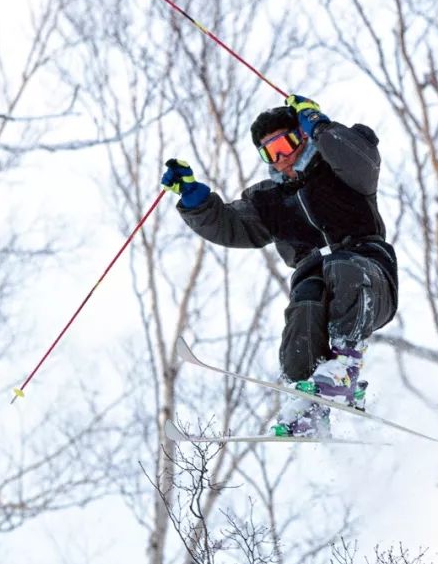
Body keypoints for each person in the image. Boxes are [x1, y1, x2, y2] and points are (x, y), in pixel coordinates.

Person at [160, 94, 398, 438]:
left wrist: (320, 127)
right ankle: (305, 403)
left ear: (301, 136)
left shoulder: (340, 168)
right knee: (305, 300)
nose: (281, 157)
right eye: (270, 153)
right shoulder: (268, 199)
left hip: (370, 282)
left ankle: (345, 366)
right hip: (319, 287)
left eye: (284, 144)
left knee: (340, 266)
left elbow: (360, 159)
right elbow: (230, 225)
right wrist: (194, 199)